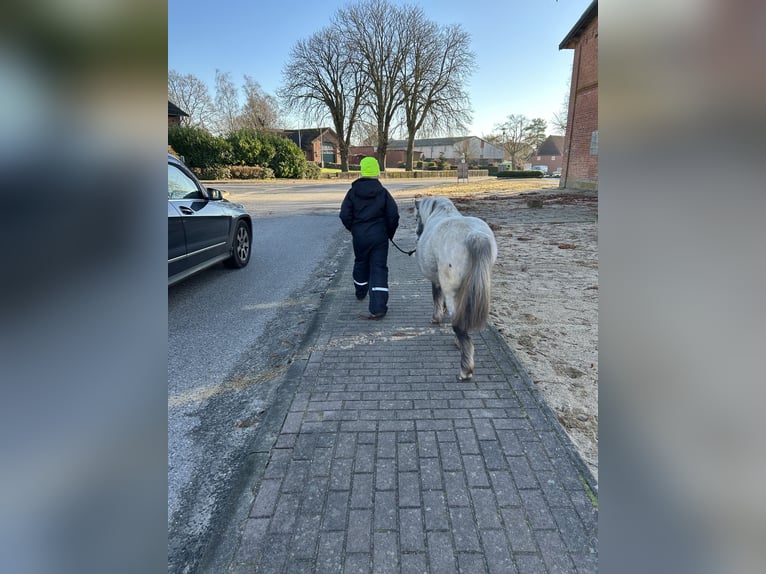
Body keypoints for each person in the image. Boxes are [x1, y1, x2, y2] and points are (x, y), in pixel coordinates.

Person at [339, 156, 399, 319]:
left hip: (360, 235)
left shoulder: (352, 193)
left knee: (361, 262)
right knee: (379, 268)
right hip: (380, 236)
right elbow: (393, 215)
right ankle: (378, 307)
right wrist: (389, 233)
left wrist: (353, 228)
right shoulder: (383, 193)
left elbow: (344, 214)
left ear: (362, 171)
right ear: (377, 172)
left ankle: (360, 290)